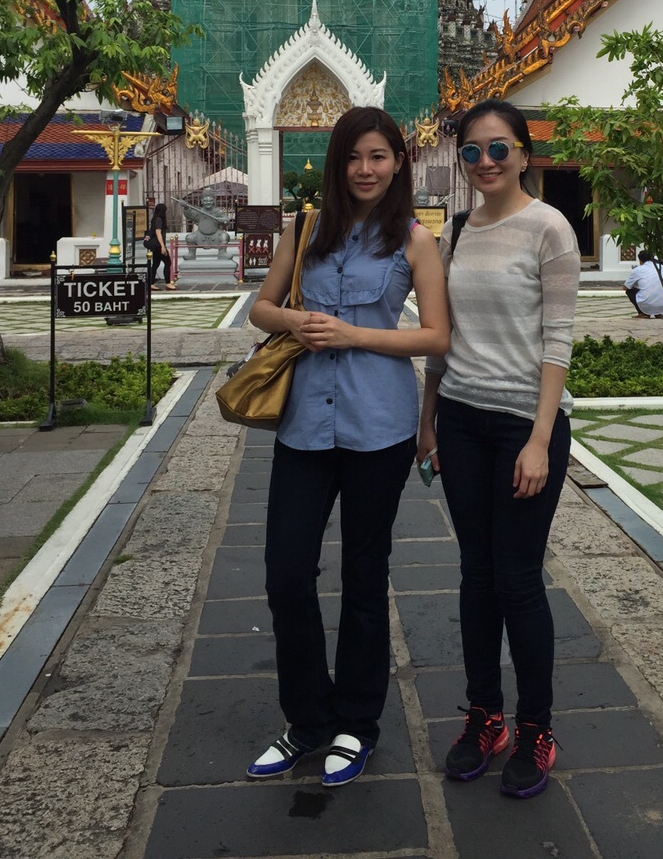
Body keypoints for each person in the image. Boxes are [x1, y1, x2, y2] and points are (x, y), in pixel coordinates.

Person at [246, 107, 450, 788]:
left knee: (365, 579)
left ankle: (356, 724)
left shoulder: (414, 241)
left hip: (378, 427)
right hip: (305, 424)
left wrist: (355, 335)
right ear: (338, 165)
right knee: (285, 573)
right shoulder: (305, 229)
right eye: (354, 158)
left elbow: (436, 337)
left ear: (398, 162)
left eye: (379, 156)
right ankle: (307, 719)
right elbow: (261, 308)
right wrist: (301, 323)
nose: (366, 169)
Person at [418, 98, 580, 799]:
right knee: (475, 574)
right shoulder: (456, 232)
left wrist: (540, 439)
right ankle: (485, 717)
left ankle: (537, 727)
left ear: (524, 152)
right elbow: (442, 338)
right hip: (460, 418)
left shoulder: (550, 229)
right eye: (472, 153)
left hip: (523, 427)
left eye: (498, 150)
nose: (485, 164)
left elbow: (558, 342)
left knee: (517, 578)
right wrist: (428, 422)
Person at [623, 250, 663, 317]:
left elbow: (625, 287)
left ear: (640, 260)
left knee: (630, 291)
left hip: (646, 305)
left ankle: (643, 313)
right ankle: (658, 314)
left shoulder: (638, 270)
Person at [146, 203, 175, 290]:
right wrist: (163, 246)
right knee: (168, 263)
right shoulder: (159, 219)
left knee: (155, 265)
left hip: (155, 245)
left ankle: (151, 283)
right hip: (158, 245)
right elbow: (158, 233)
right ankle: (168, 283)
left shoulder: (155, 219)